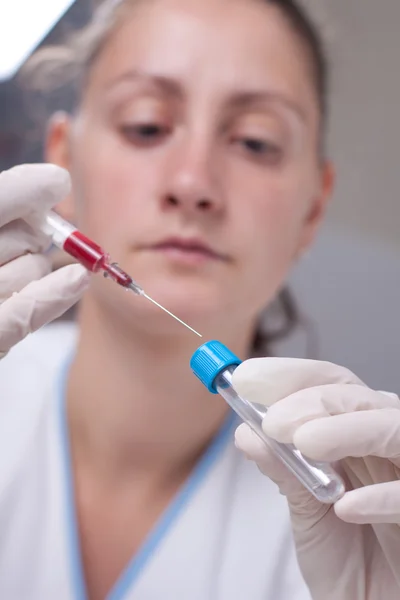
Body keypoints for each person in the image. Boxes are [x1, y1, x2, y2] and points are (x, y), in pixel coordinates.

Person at [0, 0, 399, 599]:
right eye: (146, 126)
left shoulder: (351, 520)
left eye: (255, 142)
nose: (192, 183)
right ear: (64, 160)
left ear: (313, 209)